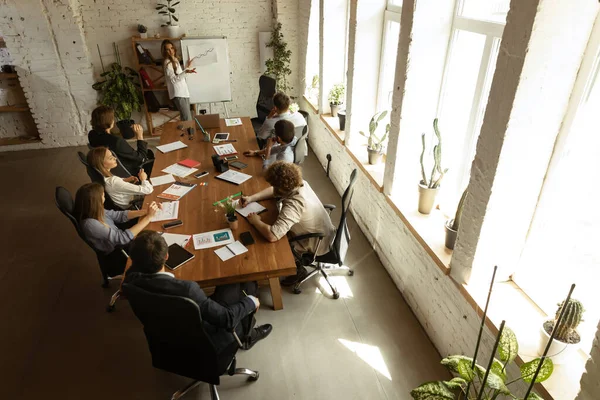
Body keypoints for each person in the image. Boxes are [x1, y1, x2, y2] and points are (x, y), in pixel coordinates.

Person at [124, 231, 273, 353]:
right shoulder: (187, 290)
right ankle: (247, 337)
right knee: (248, 288)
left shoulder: (129, 282)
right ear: (167, 256)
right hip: (205, 344)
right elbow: (226, 319)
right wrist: (251, 302)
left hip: (165, 343)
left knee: (229, 283)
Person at [239, 161, 336, 286]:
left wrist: (256, 221)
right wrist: (252, 198)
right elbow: (274, 191)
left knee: (266, 247)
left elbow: (273, 235)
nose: (273, 188)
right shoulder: (300, 183)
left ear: (282, 187)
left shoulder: (294, 204)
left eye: (275, 186)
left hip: (317, 243)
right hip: (326, 232)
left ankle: (298, 270)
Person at [74, 182, 160, 276]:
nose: (104, 197)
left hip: (122, 240)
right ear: (96, 201)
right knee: (156, 247)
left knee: (154, 235)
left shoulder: (96, 210)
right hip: (118, 251)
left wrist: (145, 212)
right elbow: (122, 238)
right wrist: (148, 218)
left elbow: (119, 215)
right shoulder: (90, 224)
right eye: (103, 195)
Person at [88, 105, 154, 175]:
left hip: (111, 169)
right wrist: (140, 136)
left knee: (148, 152)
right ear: (109, 122)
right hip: (132, 171)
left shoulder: (92, 134)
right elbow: (141, 158)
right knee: (149, 154)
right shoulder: (117, 141)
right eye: (112, 118)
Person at [87, 147, 153, 210]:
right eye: (110, 158)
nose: (115, 158)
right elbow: (147, 190)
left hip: (123, 200)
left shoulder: (102, 176)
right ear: (102, 164)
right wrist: (143, 179)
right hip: (130, 206)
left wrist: (125, 180)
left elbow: (114, 185)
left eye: (112, 155)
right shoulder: (114, 181)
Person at [161, 40, 196, 121]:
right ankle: (189, 134)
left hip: (184, 92)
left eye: (172, 48)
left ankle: (188, 133)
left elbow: (181, 76)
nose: (171, 51)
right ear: (165, 51)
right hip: (178, 93)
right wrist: (186, 71)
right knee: (187, 119)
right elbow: (174, 80)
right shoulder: (168, 62)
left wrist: (187, 68)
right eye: (168, 49)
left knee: (187, 118)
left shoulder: (175, 60)